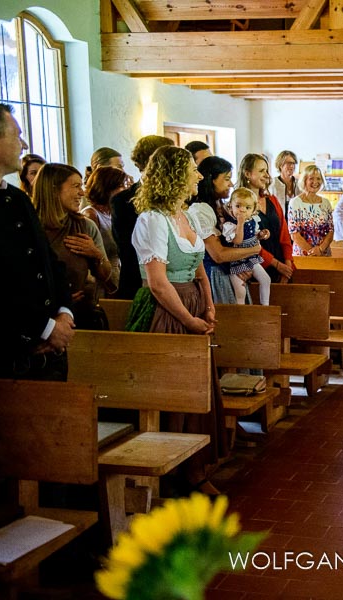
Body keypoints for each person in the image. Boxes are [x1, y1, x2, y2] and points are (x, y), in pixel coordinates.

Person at [127, 145, 226, 495]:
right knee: (172, 391)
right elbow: (157, 282)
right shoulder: (152, 220)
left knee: (198, 390)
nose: (199, 175)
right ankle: (167, 476)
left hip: (195, 305)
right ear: (174, 175)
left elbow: (201, 269)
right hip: (167, 312)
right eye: (192, 170)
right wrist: (188, 320)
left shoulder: (187, 216)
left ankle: (195, 469)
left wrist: (210, 308)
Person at [0, 101, 73, 381]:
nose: (23, 144)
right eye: (17, 135)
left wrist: (64, 313)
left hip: (47, 352)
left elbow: (49, 262)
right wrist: (45, 328)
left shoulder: (19, 198)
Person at [35, 163, 116, 329]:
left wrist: (96, 255)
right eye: (76, 186)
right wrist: (60, 301)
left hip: (83, 317)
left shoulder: (85, 226)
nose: (82, 192)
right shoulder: (30, 227)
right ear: (53, 189)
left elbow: (107, 278)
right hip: (43, 322)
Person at [188, 156, 262, 304]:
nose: (231, 183)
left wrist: (242, 266)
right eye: (227, 178)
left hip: (229, 271)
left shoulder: (223, 206)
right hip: (215, 274)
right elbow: (218, 255)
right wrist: (254, 250)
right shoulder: (201, 209)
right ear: (212, 179)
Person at [111, 135, 174, 299]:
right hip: (138, 285)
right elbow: (127, 248)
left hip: (176, 283)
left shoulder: (179, 198)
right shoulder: (123, 200)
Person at [237, 153, 294, 282]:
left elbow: (285, 235)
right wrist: (276, 264)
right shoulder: (240, 205)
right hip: (258, 267)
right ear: (247, 173)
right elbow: (247, 241)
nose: (267, 175)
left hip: (282, 266)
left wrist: (287, 265)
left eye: (267, 171)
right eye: (262, 171)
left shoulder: (272, 200)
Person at [81, 165, 129, 298]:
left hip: (117, 275)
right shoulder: (91, 215)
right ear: (108, 188)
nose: (125, 190)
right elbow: (91, 258)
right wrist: (111, 288)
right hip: (102, 282)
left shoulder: (114, 212)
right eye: (121, 186)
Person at [223, 188, 270, 305]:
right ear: (231, 207)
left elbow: (253, 236)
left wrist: (260, 235)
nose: (242, 210)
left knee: (265, 279)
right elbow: (238, 241)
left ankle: (265, 307)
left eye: (247, 208)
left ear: (253, 210)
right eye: (238, 206)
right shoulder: (230, 225)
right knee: (240, 291)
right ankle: (241, 314)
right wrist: (240, 223)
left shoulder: (253, 221)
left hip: (251, 258)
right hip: (237, 261)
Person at [288, 164, 334, 257]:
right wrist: (312, 251)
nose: (315, 182)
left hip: (323, 254)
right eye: (311, 178)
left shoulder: (326, 203)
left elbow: (331, 230)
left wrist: (320, 249)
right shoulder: (295, 203)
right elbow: (294, 234)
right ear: (304, 180)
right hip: (302, 255)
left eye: (318, 178)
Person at [270, 150, 299, 214]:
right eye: (288, 163)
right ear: (280, 165)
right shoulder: (272, 184)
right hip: (278, 221)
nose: (291, 166)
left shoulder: (300, 184)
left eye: (293, 163)